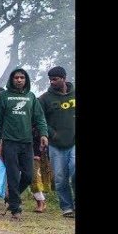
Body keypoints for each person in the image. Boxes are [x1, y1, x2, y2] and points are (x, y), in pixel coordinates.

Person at [0, 68, 49, 220]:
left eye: (22, 78)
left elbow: (39, 118)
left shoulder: (31, 97)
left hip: (27, 142)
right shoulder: (4, 96)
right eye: (16, 77)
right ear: (12, 79)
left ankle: (12, 196)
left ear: (26, 80)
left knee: (28, 174)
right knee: (12, 174)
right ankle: (15, 209)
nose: (19, 80)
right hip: (10, 142)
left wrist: (44, 134)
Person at [39, 65, 75, 217]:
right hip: (55, 145)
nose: (52, 82)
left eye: (55, 79)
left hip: (74, 142)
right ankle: (67, 207)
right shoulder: (44, 99)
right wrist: (51, 134)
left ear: (64, 78)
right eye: (50, 80)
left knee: (75, 170)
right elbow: (39, 119)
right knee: (60, 178)